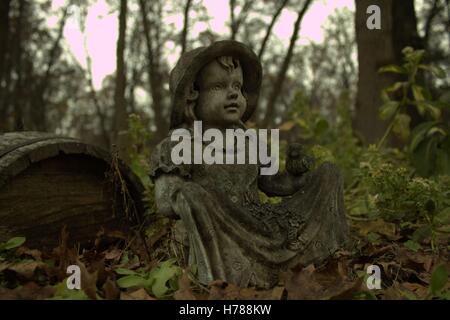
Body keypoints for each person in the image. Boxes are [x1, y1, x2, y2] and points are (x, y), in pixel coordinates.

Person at [150, 40, 348, 289]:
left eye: (238, 86)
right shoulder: (178, 146)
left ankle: (294, 264)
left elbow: (273, 183)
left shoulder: (250, 141)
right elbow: (166, 202)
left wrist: (296, 176)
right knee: (190, 194)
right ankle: (219, 279)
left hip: (259, 223)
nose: (233, 93)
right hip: (218, 229)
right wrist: (190, 198)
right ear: (192, 95)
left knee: (329, 173)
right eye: (219, 86)